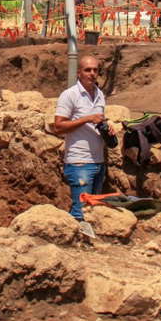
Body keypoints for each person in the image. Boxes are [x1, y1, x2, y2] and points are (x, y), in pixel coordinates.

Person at [53, 55, 112, 234]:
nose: (92, 73)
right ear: (79, 72)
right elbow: (58, 126)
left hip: (98, 161)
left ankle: (87, 245)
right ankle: (75, 246)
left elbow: (98, 122)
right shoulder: (70, 95)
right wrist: (87, 118)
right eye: (88, 70)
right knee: (80, 212)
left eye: (95, 70)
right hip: (79, 163)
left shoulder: (100, 94)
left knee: (93, 211)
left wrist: (107, 128)